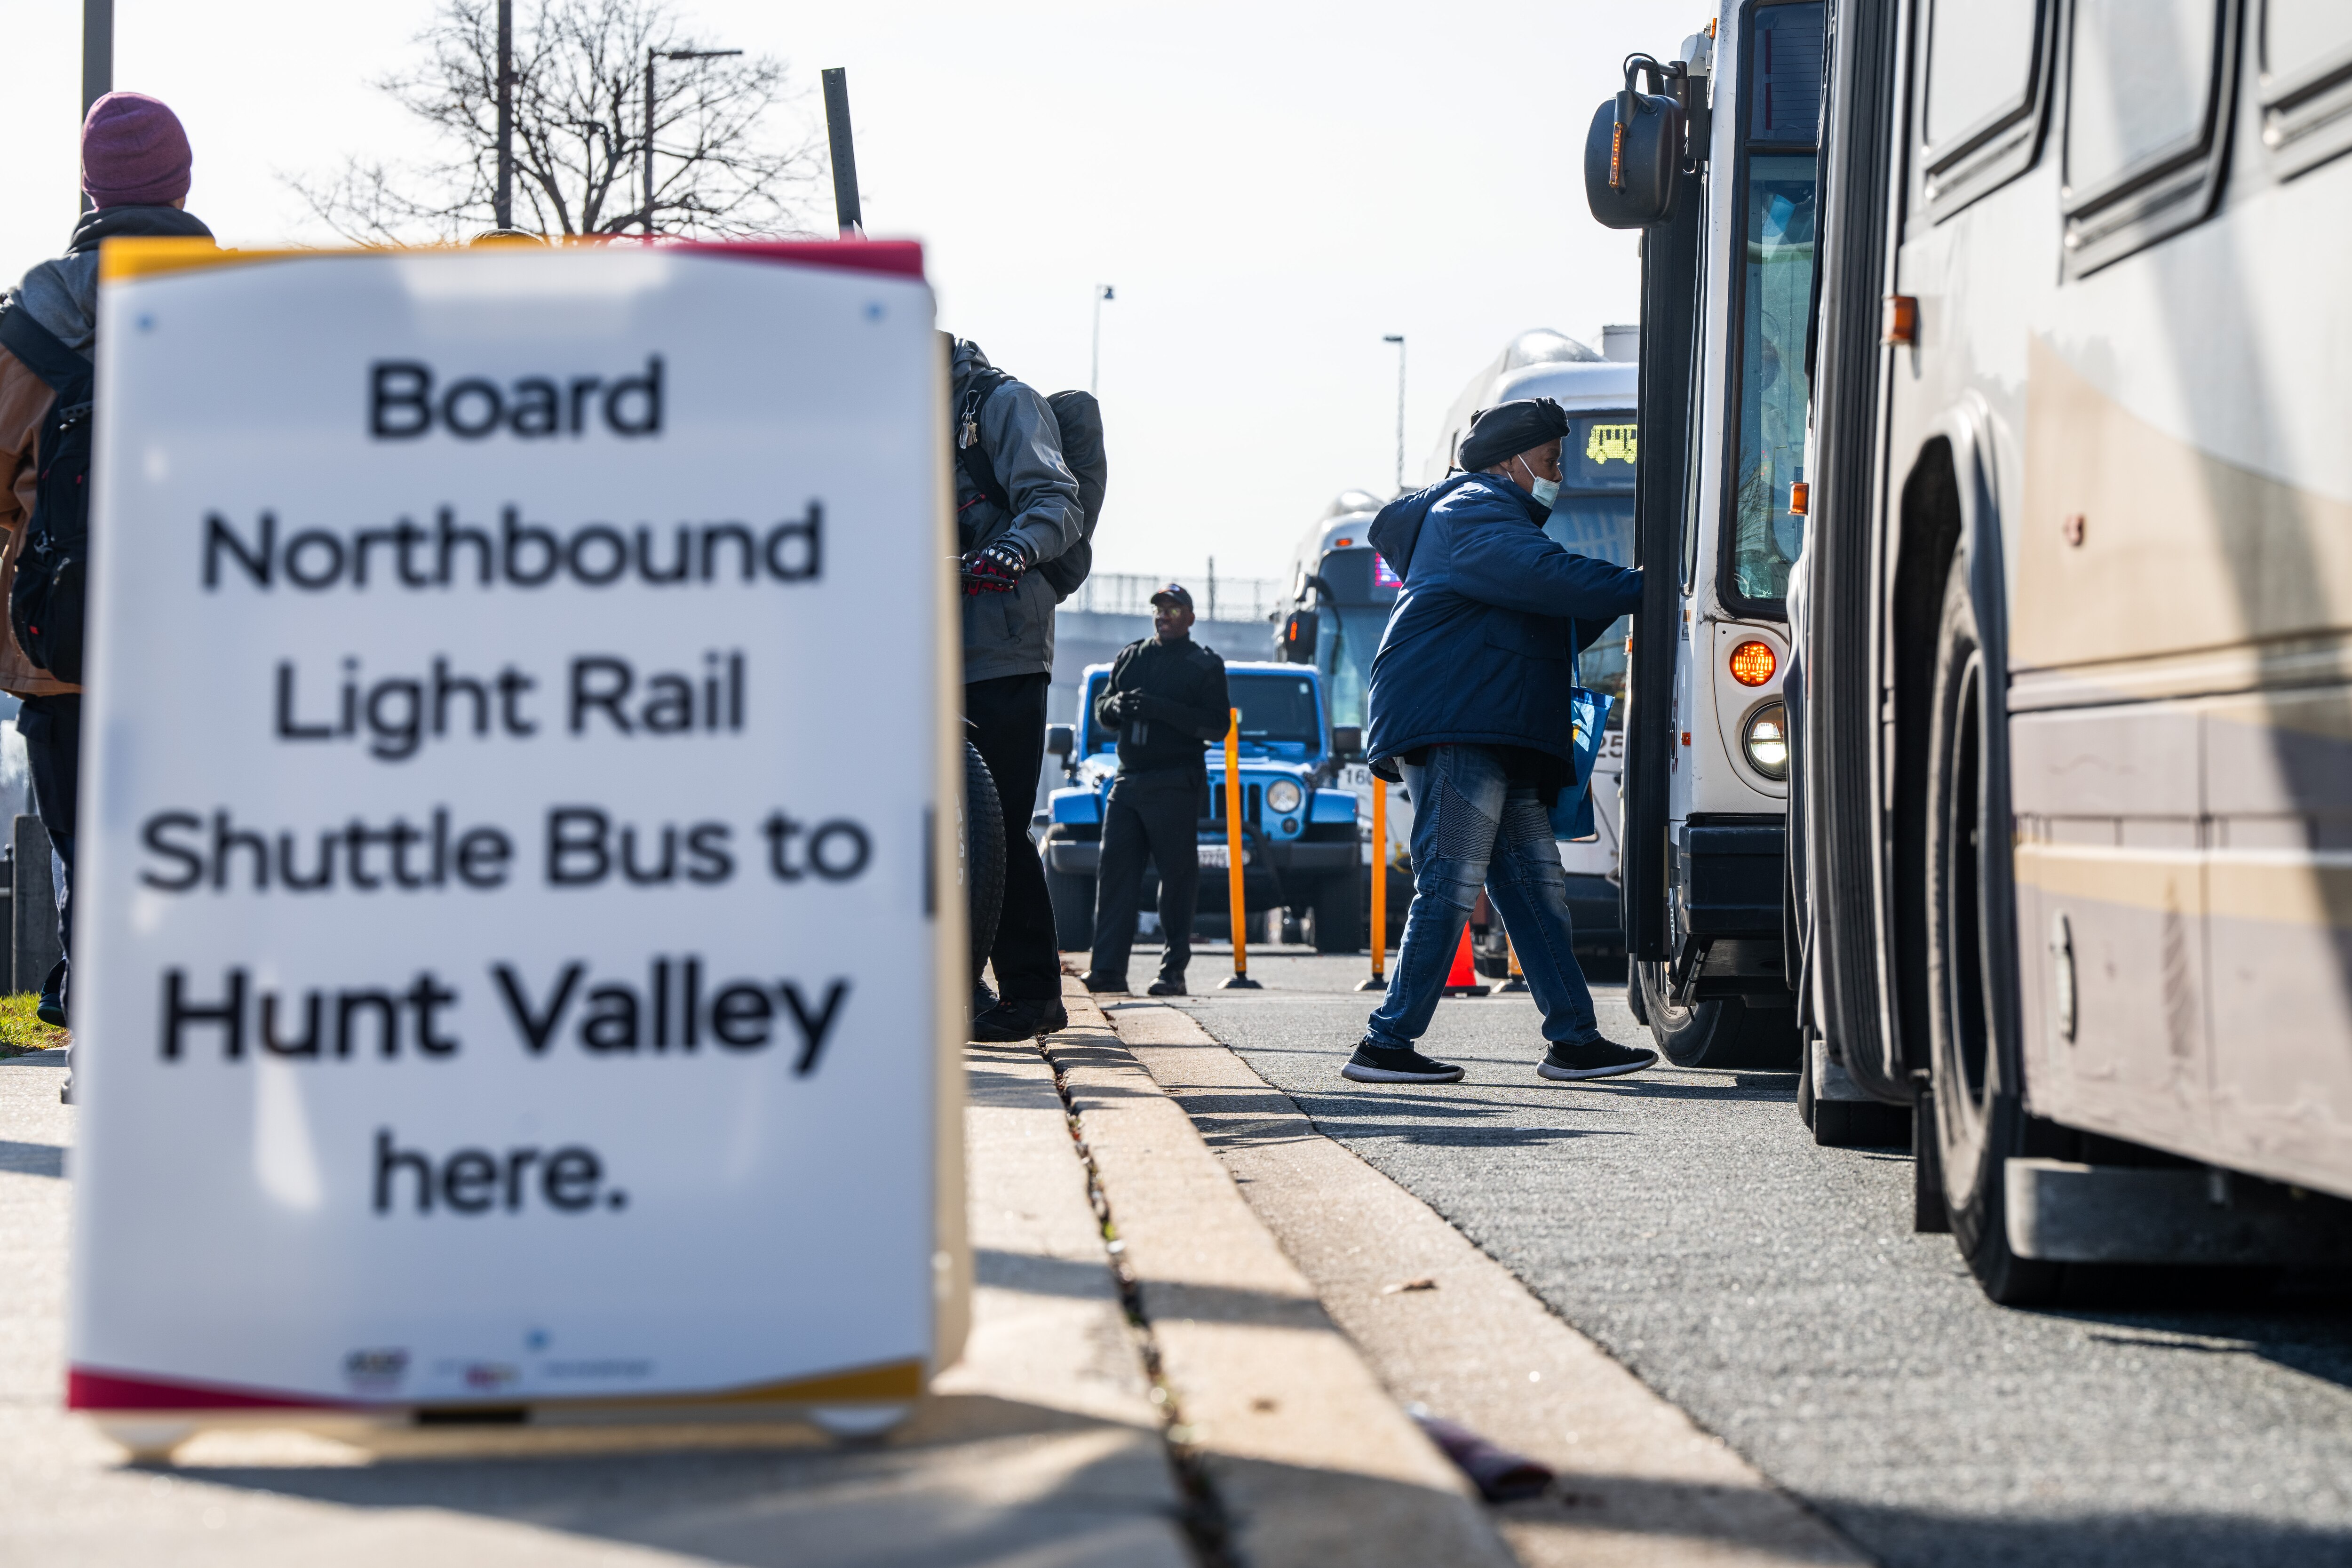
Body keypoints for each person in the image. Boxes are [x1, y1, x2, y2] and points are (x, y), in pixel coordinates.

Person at [0, 93, 214, 1075]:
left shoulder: (31, 320)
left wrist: (31, 552)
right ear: (181, 183)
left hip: (60, 645)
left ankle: (102, 1034)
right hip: (202, 641)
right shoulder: (244, 305)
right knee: (194, 852)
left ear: (91, 187)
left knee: (91, 848)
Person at [1348, 398, 1650, 1086]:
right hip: (1457, 721)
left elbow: (1551, 608)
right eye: (1548, 463)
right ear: (1506, 463)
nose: (1556, 478)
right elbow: (1546, 578)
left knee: (1537, 890)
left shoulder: (1494, 517)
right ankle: (1385, 1043)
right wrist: (1648, 587)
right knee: (1451, 882)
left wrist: (1623, 594)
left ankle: (1574, 1040)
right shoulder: (1473, 510)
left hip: (1495, 724)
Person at [950, 336, 1085, 1043]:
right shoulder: (881, 411)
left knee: (995, 818)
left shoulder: (1000, 404)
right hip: (914, 638)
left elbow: (1057, 502)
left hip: (999, 642)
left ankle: (1033, 993)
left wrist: (1015, 547)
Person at [1082, 584, 1229, 998]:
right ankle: (1108, 970)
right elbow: (1103, 707)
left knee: (1177, 878)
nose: (1164, 615)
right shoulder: (1133, 655)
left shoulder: (1203, 665)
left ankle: (1172, 972)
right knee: (1115, 875)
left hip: (1175, 781)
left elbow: (1218, 726)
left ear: (1190, 617)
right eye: (1159, 609)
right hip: (1128, 780)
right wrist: (1118, 707)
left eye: (1173, 609)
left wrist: (1161, 709)